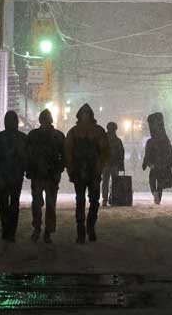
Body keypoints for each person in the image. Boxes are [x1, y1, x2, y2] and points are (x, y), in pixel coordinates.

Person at [64, 103, 109, 243]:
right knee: (83, 201)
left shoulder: (76, 132)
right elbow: (68, 153)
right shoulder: (95, 131)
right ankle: (83, 230)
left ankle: (87, 227)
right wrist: (71, 168)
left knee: (91, 201)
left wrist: (99, 166)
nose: (85, 116)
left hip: (88, 172)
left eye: (86, 114)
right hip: (84, 172)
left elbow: (104, 152)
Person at [0, 110, 28, 242]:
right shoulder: (23, 138)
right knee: (14, 203)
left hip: (2, 176)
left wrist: (0, 162)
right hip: (16, 176)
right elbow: (28, 157)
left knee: (3, 203)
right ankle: (12, 232)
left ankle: (5, 229)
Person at [25, 108, 65, 243]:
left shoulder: (34, 135)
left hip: (42, 174)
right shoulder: (58, 136)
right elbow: (63, 156)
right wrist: (59, 168)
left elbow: (28, 155)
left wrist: (29, 170)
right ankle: (46, 231)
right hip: (49, 175)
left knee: (39, 204)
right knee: (48, 204)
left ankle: (39, 229)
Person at [142, 112, 172, 205]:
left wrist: (146, 163)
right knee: (160, 181)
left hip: (154, 164)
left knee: (152, 179)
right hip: (163, 164)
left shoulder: (151, 141)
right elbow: (170, 151)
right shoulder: (165, 140)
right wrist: (171, 162)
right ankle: (158, 196)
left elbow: (147, 152)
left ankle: (154, 193)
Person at [101, 122, 125, 207]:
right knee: (115, 182)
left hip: (105, 164)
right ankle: (114, 198)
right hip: (114, 164)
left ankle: (105, 199)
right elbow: (121, 154)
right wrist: (121, 166)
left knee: (105, 182)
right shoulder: (117, 141)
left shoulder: (103, 139)